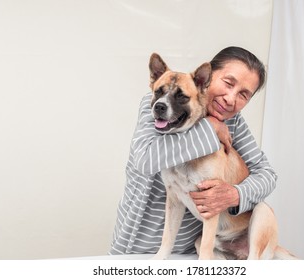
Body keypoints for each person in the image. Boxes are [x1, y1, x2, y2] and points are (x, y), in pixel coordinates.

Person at [109, 46, 277, 255]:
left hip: (194, 249)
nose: (230, 99)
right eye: (228, 83)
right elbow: (144, 160)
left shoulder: (232, 122)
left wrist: (235, 194)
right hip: (138, 244)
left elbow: (267, 175)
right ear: (207, 79)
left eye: (243, 94)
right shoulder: (157, 105)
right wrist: (211, 128)